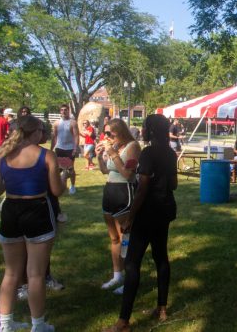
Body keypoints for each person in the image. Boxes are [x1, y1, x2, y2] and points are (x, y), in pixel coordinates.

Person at [0, 115, 65, 332]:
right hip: (38, 211)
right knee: (35, 274)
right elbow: (57, 190)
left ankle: (5, 324)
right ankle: (38, 325)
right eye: (41, 130)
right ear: (33, 133)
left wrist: (13, 182)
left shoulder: (1, 156)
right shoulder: (46, 155)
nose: (43, 134)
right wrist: (64, 176)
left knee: (11, 273)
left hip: (11, 211)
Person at [103, 114, 177, 332]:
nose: (142, 131)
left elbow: (142, 188)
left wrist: (131, 217)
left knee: (132, 263)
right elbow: (173, 184)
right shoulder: (171, 153)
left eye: (144, 127)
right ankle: (162, 308)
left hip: (147, 212)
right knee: (161, 257)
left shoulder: (148, 152)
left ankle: (123, 322)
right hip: (165, 210)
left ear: (149, 131)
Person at [96, 118, 141, 295]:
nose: (108, 137)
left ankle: (129, 278)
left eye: (110, 133)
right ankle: (117, 275)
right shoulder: (114, 147)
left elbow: (128, 174)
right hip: (110, 191)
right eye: (106, 133)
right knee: (114, 238)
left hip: (124, 191)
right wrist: (100, 156)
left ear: (120, 131)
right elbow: (105, 170)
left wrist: (113, 154)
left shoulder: (132, 146)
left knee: (125, 239)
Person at [50, 104, 80, 195]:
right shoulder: (56, 123)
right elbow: (54, 137)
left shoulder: (73, 122)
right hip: (59, 148)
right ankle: (61, 185)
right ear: (60, 111)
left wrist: (75, 148)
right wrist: (51, 148)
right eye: (62, 110)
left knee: (70, 169)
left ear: (68, 111)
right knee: (59, 168)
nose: (64, 111)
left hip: (70, 148)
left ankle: (72, 186)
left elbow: (76, 136)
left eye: (65, 110)